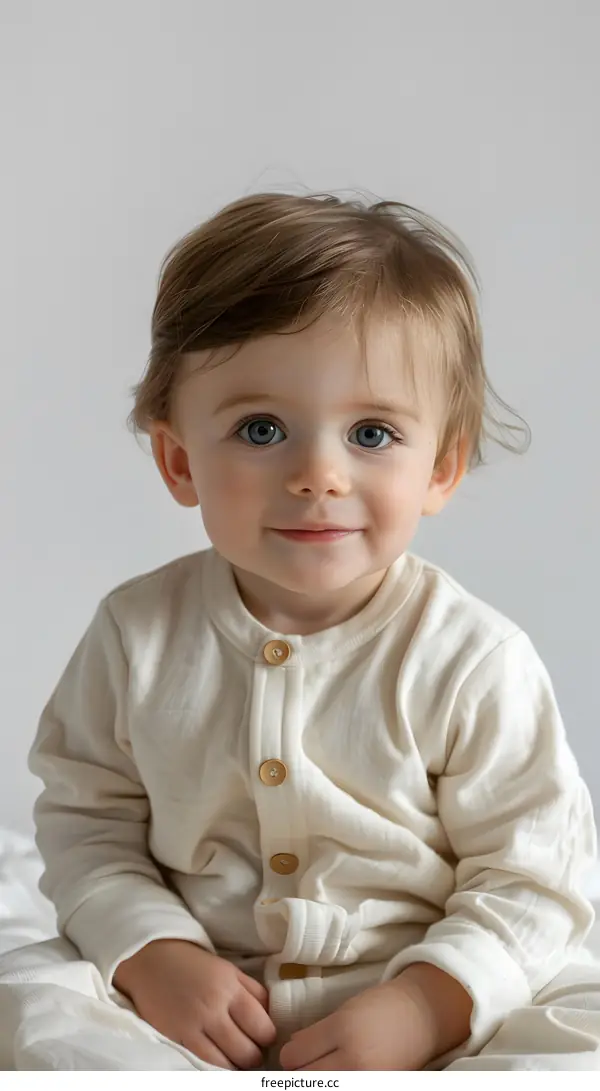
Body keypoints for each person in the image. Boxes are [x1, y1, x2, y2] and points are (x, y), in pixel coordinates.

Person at [27, 191, 598, 1071]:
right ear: (181, 459)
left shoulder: (470, 658)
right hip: (196, 1010)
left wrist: (424, 1004)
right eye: (262, 429)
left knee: (572, 1043)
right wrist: (152, 952)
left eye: (372, 432)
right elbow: (85, 820)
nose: (318, 474)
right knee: (40, 1021)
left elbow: (533, 876)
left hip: (431, 1007)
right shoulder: (137, 633)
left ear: (440, 465)